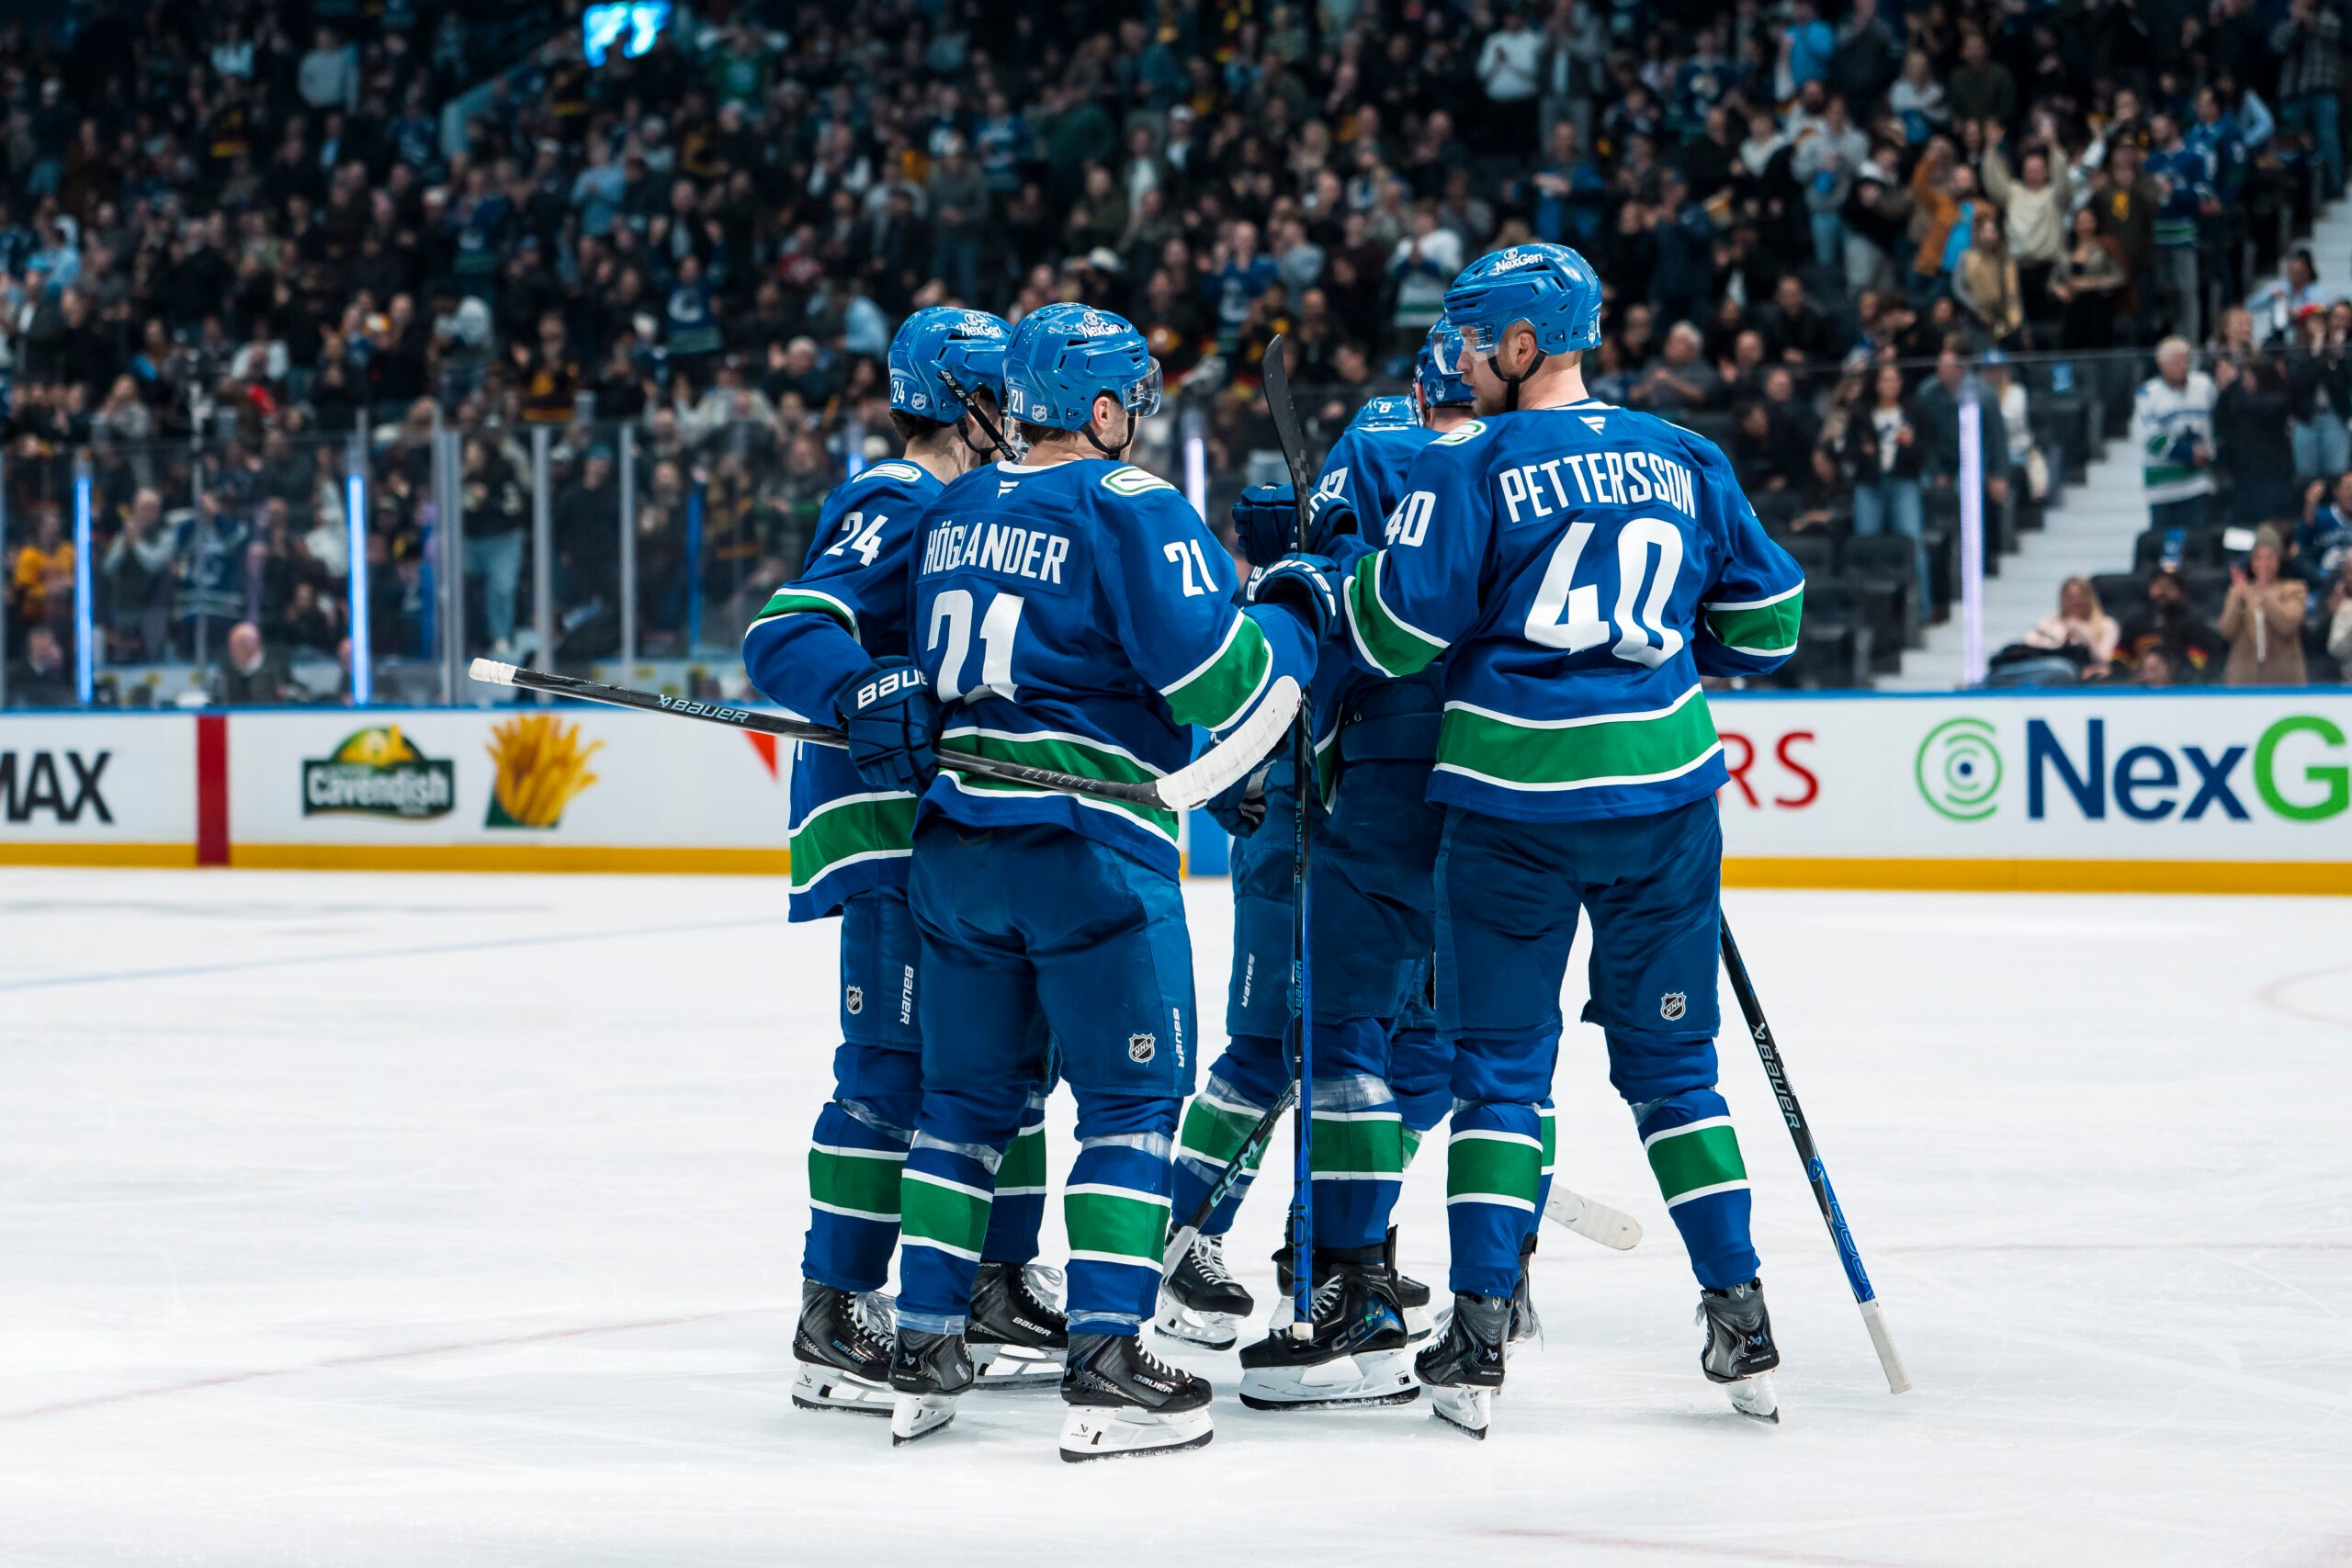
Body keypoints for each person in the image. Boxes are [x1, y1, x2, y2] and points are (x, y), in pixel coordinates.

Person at [1317, 243, 1804, 1433]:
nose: (1463, 359)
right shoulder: (1686, 453)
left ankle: (1478, 1333)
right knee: (1680, 1072)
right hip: (1667, 798)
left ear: (1523, 344)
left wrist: (1334, 575)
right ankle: (1739, 1317)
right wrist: (1679, 646)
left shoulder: (1470, 458)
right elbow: (1772, 616)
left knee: (1499, 1071)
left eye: (1477, 339)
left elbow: (1393, 629)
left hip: (1511, 803)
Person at [868, 302, 1319, 1460]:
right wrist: (1295, 601)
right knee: (1127, 1107)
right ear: (1106, 409)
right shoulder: (1133, 502)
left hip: (956, 842)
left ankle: (923, 1345)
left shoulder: (958, 502)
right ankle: (1108, 1361)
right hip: (1087, 852)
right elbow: (1218, 677)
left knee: (965, 1108)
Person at [739, 308, 1059, 1416]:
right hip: (886, 825)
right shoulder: (900, 498)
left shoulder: (989, 508)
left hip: (962, 828)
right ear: (961, 398)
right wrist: (860, 684)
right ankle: (834, 1307)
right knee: (892, 1069)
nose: (1021, 417)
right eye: (1004, 397)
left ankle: (994, 1284)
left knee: (1007, 1063)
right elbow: (787, 629)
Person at [1158, 322, 1483, 1404]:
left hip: (1407, 801)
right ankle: (1176, 1233)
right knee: (1274, 1049)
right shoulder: (1429, 455)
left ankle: (1338, 1242)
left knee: (1397, 1053)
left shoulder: (1442, 464)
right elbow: (1286, 637)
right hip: (1328, 796)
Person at [2133, 338, 2218, 533]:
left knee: (2198, 542)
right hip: (2162, 489)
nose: (2183, 365)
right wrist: (2187, 453)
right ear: (2162, 365)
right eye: (2176, 361)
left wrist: (2210, 453)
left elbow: (2218, 421)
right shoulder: (2148, 394)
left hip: (2198, 483)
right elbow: (2150, 438)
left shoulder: (2204, 386)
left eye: (2185, 359)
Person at [2219, 525, 2310, 684]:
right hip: (2244, 679)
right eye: (2258, 557)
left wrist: (2264, 594)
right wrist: (2239, 599)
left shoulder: (2295, 589)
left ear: (2279, 560)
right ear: (2252, 561)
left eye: (2270, 557)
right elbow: (2226, 631)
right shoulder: (2238, 591)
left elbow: (2287, 625)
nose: (2264, 563)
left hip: (2285, 680)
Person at [2111, 568, 2225, 682]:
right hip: (2139, 688)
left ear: (2181, 593)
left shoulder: (2192, 623)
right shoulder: (2135, 622)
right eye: (2159, 587)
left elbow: (2210, 659)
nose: (2163, 592)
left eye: (2169, 588)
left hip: (2180, 688)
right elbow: (2120, 658)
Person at [2020, 577, 2120, 677]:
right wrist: (2059, 638)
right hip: (2055, 674)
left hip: (2089, 677)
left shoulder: (2107, 625)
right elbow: (2029, 645)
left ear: (2089, 598)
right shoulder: (2048, 623)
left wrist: (2086, 635)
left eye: (2080, 597)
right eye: (2070, 598)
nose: (2075, 602)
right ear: (2062, 599)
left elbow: (2104, 659)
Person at [208, 621, 300, 705]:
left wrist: (286, 692)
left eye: (236, 647)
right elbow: (215, 700)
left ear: (250, 647)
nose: (231, 653)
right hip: (236, 720)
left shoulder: (277, 669)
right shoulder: (226, 669)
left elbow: (299, 693)